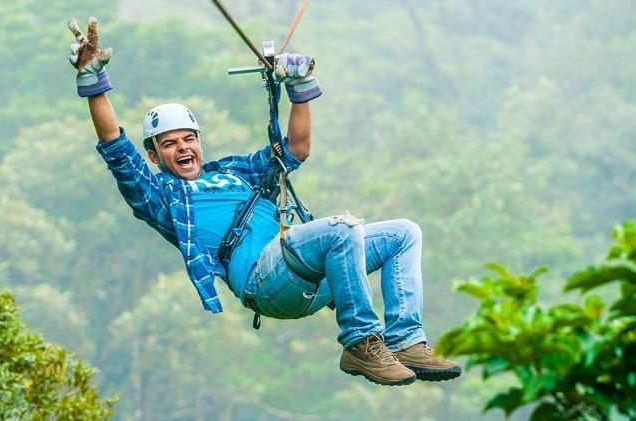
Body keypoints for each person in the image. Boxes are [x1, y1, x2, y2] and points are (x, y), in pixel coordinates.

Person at [68, 17, 461, 386]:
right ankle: (360, 343)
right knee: (342, 228)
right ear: (155, 156)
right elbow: (117, 151)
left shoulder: (236, 173)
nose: (183, 147)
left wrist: (300, 87)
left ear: (200, 143)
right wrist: (92, 78)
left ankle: (407, 340)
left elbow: (296, 149)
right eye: (169, 144)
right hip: (264, 279)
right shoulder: (161, 197)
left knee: (404, 233)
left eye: (189, 139)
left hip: (308, 270)